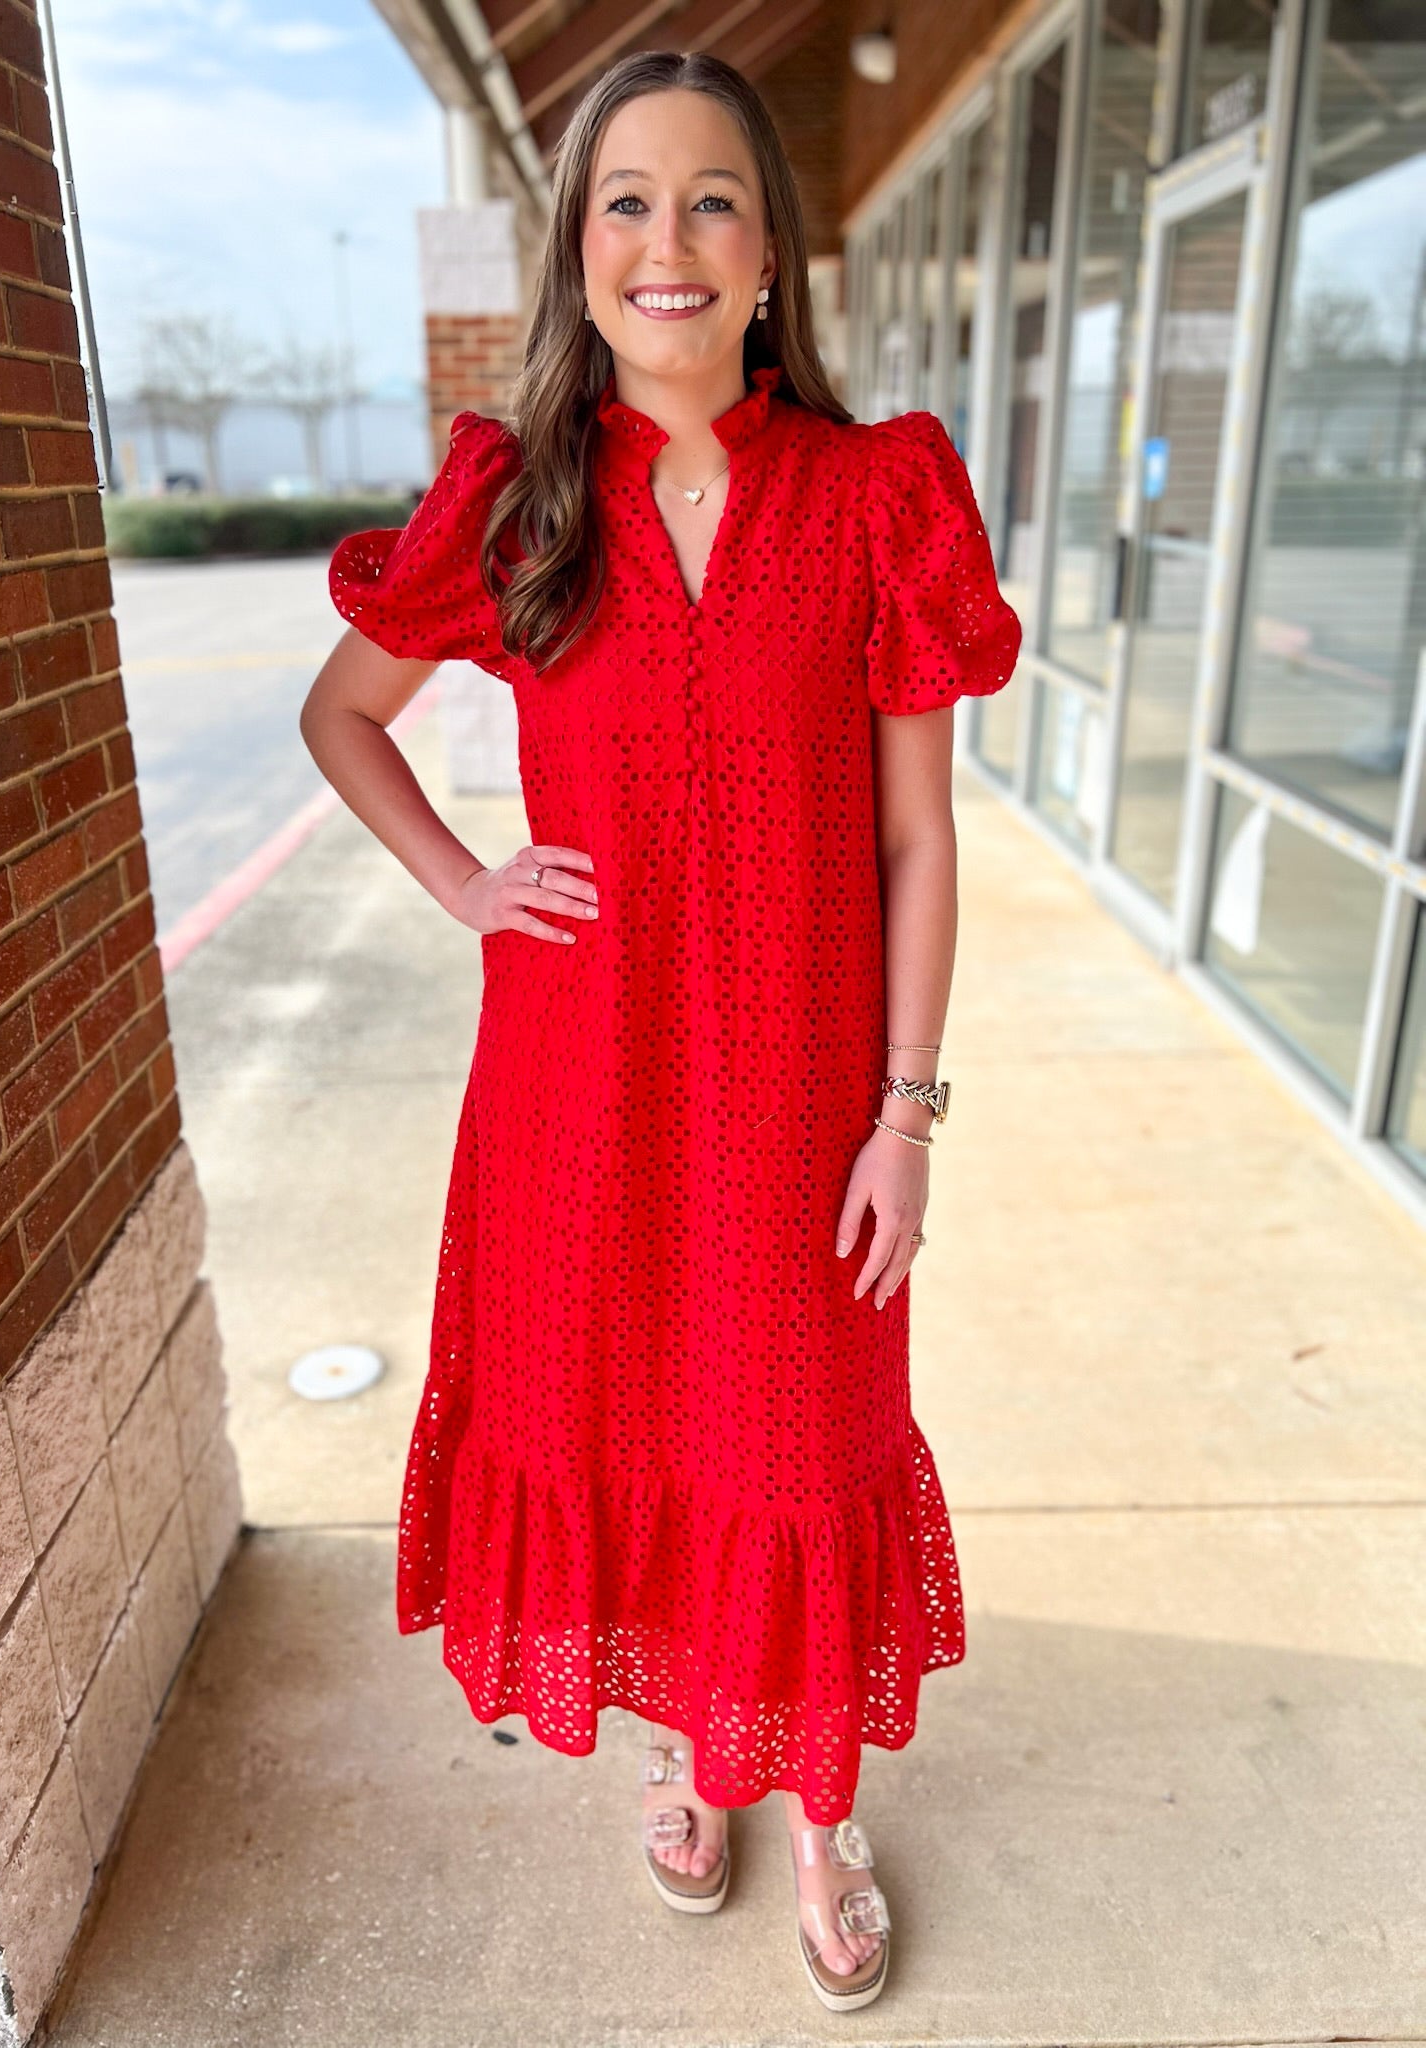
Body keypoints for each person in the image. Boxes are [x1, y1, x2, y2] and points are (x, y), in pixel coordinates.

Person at [300, 48, 1020, 2016]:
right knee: (642, 1438)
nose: (669, 239)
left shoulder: (881, 495)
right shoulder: (519, 493)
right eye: (625, 199)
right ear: (577, 250)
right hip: (581, 1094)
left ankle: (824, 1802)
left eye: (713, 198)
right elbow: (342, 715)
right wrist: (468, 887)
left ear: (774, 252)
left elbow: (914, 835)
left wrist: (908, 1113)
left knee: (800, 1446)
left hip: (801, 1110)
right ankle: (705, 1757)